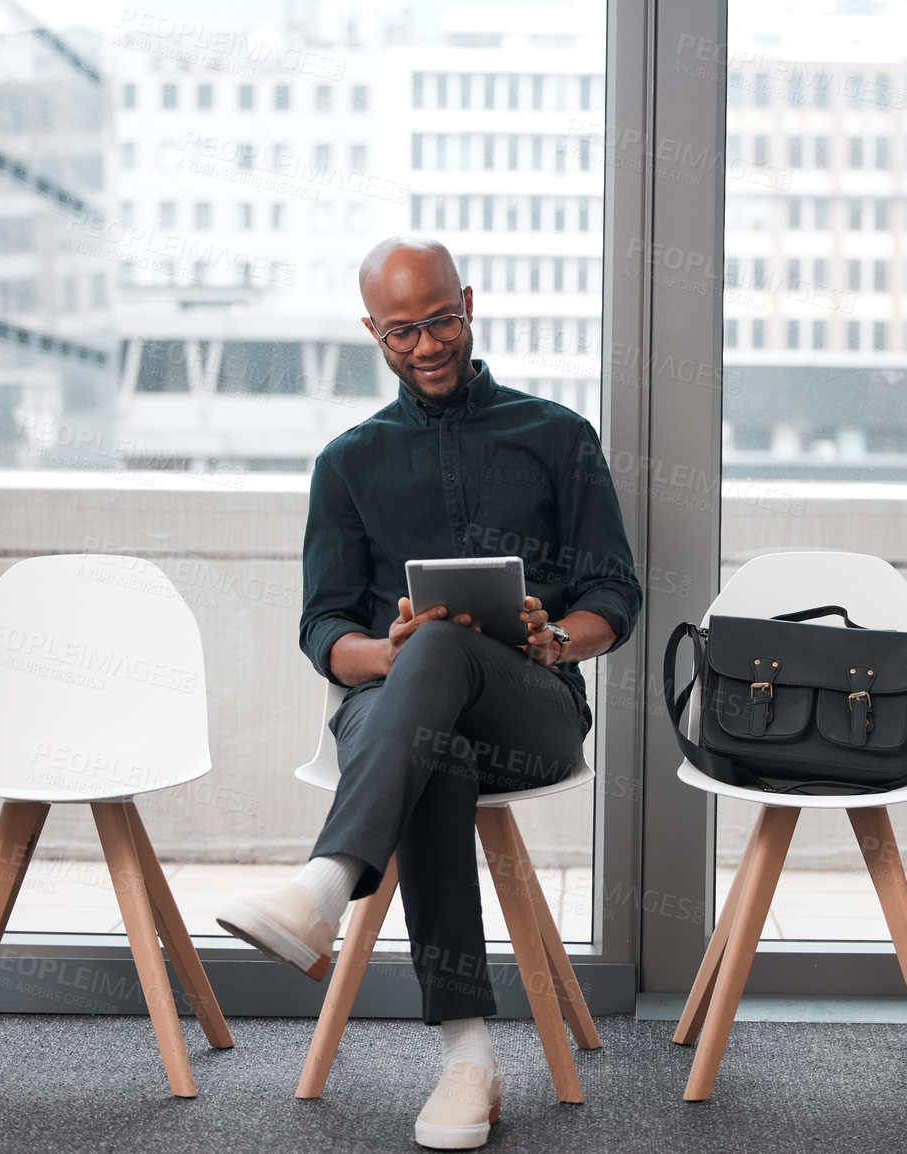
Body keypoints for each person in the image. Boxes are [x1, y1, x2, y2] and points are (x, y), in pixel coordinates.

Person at [217, 236, 641, 1150]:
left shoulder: (557, 436)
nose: (426, 345)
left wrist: (554, 636)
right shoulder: (348, 461)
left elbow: (616, 595)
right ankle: (468, 1055)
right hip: (394, 710)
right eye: (401, 331)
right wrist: (390, 651)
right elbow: (324, 629)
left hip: (531, 706)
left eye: (441, 320)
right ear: (372, 331)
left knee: (448, 646)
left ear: (469, 304)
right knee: (430, 728)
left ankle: (326, 885)